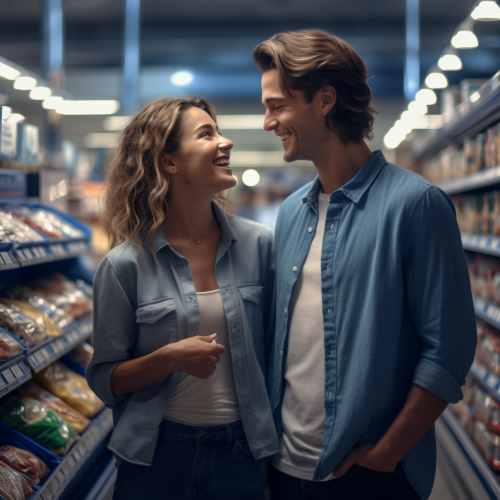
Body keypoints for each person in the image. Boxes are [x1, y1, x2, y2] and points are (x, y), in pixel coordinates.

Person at [254, 30, 476, 500]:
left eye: (277, 106)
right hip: (283, 469)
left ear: (325, 100)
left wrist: (386, 454)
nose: (267, 121)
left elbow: (448, 350)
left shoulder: (417, 205)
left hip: (366, 476)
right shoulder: (292, 212)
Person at [86, 97, 278, 500]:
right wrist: (168, 358)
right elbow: (105, 380)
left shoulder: (260, 247)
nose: (224, 142)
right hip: (156, 455)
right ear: (169, 162)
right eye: (206, 134)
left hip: (243, 452)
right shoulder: (124, 265)